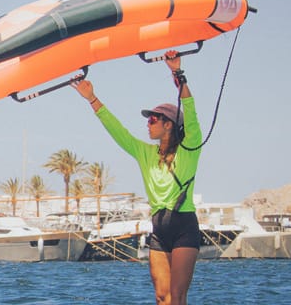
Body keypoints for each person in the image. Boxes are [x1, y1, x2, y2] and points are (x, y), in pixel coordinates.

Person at [71, 50, 201, 305]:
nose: (148, 124)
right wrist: (92, 99)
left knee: (177, 296)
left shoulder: (189, 148)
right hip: (159, 228)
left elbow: (191, 111)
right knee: (161, 296)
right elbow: (118, 131)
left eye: (153, 119)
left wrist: (177, 72)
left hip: (184, 226)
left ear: (168, 124)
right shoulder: (145, 152)